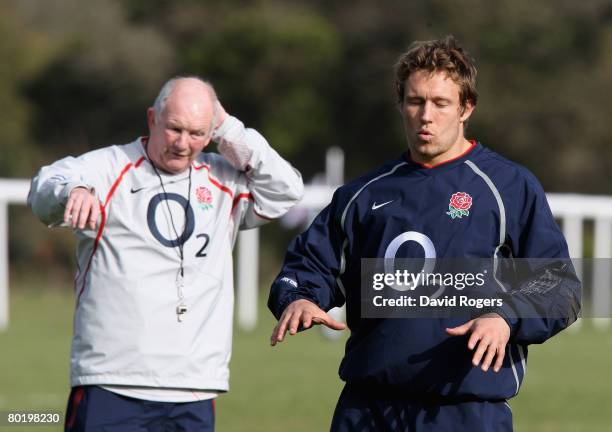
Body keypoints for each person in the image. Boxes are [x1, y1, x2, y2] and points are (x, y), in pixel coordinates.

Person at [268, 36, 580, 431]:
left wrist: (506, 317)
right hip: (368, 411)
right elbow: (308, 266)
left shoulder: (509, 187)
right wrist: (297, 297)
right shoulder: (363, 195)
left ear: (467, 108)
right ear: (401, 104)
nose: (425, 116)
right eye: (415, 102)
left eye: (440, 103)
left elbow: (561, 287)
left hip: (465, 412)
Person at [28, 76, 304, 431]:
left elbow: (286, 189)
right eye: (174, 129)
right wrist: (74, 190)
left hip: (194, 387)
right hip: (112, 380)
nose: (183, 144)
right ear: (152, 119)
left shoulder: (223, 180)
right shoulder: (109, 166)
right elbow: (44, 188)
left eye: (197, 133)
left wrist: (230, 130)